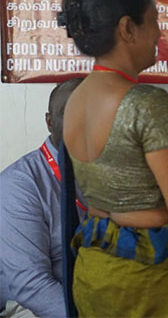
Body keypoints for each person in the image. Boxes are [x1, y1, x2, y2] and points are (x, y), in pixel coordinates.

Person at [57, 0, 168, 316]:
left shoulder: (76, 98)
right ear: (127, 28)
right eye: (153, 22)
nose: (159, 34)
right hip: (148, 279)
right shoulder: (146, 103)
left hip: (94, 270)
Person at [0, 78, 83, 318]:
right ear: (49, 122)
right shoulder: (20, 184)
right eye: (70, 112)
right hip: (31, 307)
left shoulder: (109, 172)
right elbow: (31, 285)